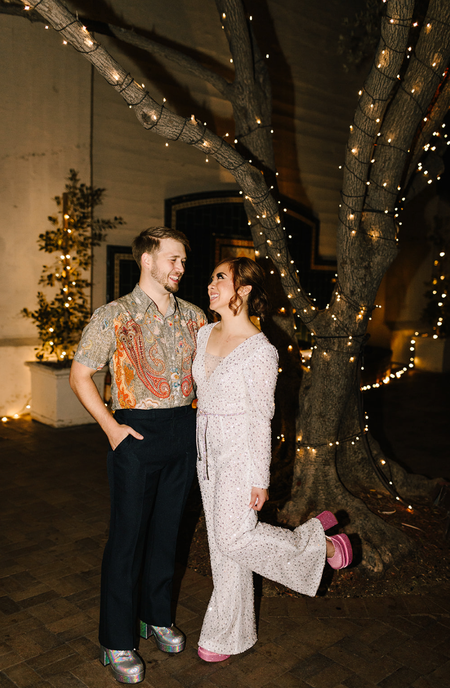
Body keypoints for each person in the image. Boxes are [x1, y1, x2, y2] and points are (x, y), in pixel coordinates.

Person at [192, 257, 352, 662]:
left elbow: (262, 419)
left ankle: (321, 545)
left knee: (233, 537)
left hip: (239, 455)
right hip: (205, 455)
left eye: (221, 277)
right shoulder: (204, 333)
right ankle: (228, 635)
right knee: (222, 548)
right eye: (212, 277)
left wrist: (259, 479)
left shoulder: (261, 351)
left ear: (244, 290)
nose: (211, 283)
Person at [70, 227, 206, 684]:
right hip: (135, 434)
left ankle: (157, 617)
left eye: (183, 260)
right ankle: (116, 640)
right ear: (147, 260)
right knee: (127, 540)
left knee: (168, 534)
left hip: (182, 432)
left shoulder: (194, 316)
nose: (180, 268)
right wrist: (112, 429)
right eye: (172, 259)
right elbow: (80, 375)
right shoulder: (114, 315)